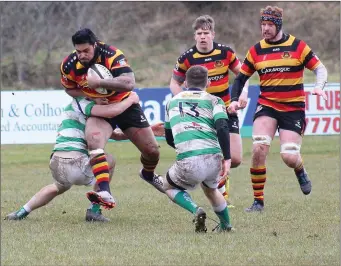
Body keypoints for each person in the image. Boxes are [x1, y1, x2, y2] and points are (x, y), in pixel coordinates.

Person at [228, 6, 328, 212]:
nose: (265, 29)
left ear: (279, 25)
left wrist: (319, 87)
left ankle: (299, 169)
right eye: (262, 24)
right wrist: (235, 99)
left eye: (269, 25)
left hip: (293, 108)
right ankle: (258, 202)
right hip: (267, 106)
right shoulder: (256, 50)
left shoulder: (297, 46)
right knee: (258, 147)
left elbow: (320, 68)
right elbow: (240, 78)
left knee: (289, 156)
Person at [60, 28, 164, 209]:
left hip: (125, 105)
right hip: (101, 109)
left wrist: (99, 82)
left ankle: (148, 174)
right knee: (94, 141)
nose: (82, 55)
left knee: (152, 151)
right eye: (78, 51)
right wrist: (90, 95)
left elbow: (129, 82)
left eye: (86, 51)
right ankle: (104, 193)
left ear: (95, 45)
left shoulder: (112, 54)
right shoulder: (69, 64)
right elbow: (69, 89)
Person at [5, 93, 140, 222]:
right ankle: (94, 210)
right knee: (108, 160)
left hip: (56, 163)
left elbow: (115, 135)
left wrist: (148, 131)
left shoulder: (80, 108)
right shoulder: (84, 103)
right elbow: (112, 111)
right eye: (103, 94)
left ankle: (22, 211)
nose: (106, 98)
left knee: (58, 187)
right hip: (75, 163)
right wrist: (130, 100)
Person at [169, 15, 249, 207]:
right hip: (201, 114)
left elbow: (243, 75)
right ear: (194, 36)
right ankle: (221, 192)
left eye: (206, 33)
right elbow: (174, 82)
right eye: (199, 33)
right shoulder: (186, 58)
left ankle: (219, 179)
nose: (203, 37)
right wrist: (185, 100)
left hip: (226, 109)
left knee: (236, 158)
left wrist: (242, 95)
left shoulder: (226, 53)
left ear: (213, 34)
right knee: (212, 153)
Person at [164, 65, 234, 233]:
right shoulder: (215, 100)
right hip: (213, 158)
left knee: (169, 186)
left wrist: (183, 147)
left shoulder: (171, 102)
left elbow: (169, 137)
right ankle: (226, 225)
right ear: (208, 82)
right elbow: (222, 127)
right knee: (211, 189)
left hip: (189, 159)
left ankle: (196, 210)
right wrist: (227, 157)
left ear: (185, 82)